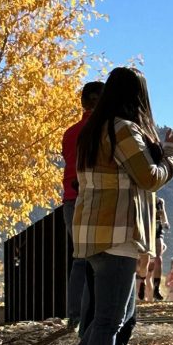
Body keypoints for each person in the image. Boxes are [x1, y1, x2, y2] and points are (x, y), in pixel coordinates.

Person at [52, 67, 173, 345]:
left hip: (93, 231)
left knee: (117, 314)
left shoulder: (92, 131)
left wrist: (164, 149)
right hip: (117, 233)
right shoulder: (122, 128)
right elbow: (150, 177)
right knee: (110, 318)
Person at [62, 81, 104, 330]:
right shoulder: (102, 131)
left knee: (79, 257)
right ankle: (93, 314)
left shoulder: (70, 132)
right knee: (98, 258)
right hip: (92, 196)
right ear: (97, 101)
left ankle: (75, 313)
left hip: (70, 198)